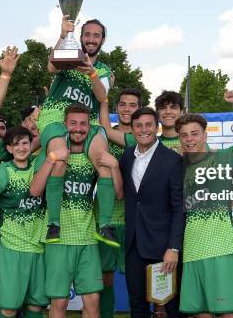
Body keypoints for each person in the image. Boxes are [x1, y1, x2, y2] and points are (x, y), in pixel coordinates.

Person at [30, 103, 123, 318]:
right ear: (65, 124)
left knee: (93, 299)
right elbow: (35, 190)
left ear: (89, 127)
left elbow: (119, 193)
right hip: (59, 240)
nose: (78, 129)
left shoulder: (95, 155)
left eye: (83, 124)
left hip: (87, 237)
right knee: (59, 302)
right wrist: (52, 158)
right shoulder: (53, 152)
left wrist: (115, 165)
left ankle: (105, 225)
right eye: (73, 123)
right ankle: (55, 222)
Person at [178, 90, 233, 318]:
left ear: (205, 134)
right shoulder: (178, 165)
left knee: (227, 312)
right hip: (192, 246)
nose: (190, 139)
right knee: (199, 312)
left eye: (195, 133)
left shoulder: (222, 158)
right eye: (184, 135)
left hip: (221, 247)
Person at [37, 16, 117, 245]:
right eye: (87, 35)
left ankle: (104, 225)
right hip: (56, 116)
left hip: (87, 122)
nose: (91, 39)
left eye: (96, 35)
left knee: (103, 160)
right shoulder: (69, 55)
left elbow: (102, 97)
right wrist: (63, 35)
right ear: (80, 37)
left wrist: (91, 73)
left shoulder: (103, 69)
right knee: (60, 158)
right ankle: (54, 224)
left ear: (102, 40)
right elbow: (51, 66)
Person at [0, 126, 47, 318]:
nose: (22, 148)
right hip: (13, 247)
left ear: (31, 145)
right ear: (9, 148)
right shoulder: (3, 171)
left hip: (39, 247)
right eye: (16, 144)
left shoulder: (39, 165)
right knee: (8, 308)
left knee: (36, 306)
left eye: (25, 143)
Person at [120, 107, 184, 317]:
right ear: (132, 130)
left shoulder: (173, 160)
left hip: (163, 246)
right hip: (134, 245)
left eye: (148, 125)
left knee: (171, 305)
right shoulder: (127, 157)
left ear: (156, 127)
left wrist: (173, 248)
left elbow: (178, 208)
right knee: (137, 304)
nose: (144, 130)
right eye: (138, 125)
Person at [97, 88, 142, 317]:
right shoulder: (102, 137)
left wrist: (102, 94)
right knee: (105, 277)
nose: (126, 109)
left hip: (133, 218)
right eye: (122, 104)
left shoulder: (142, 137)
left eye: (132, 105)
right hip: (106, 218)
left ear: (139, 109)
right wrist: (103, 96)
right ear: (117, 108)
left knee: (137, 277)